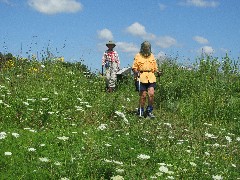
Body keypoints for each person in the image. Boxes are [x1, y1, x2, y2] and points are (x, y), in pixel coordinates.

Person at [132, 41, 162, 118]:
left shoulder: (152, 56)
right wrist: (136, 72)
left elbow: (155, 67)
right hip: (141, 77)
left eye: (148, 47)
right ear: (142, 48)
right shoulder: (138, 55)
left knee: (151, 94)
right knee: (143, 96)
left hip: (151, 77)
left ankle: (149, 111)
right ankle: (141, 111)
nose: (146, 48)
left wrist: (158, 72)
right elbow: (134, 67)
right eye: (145, 47)